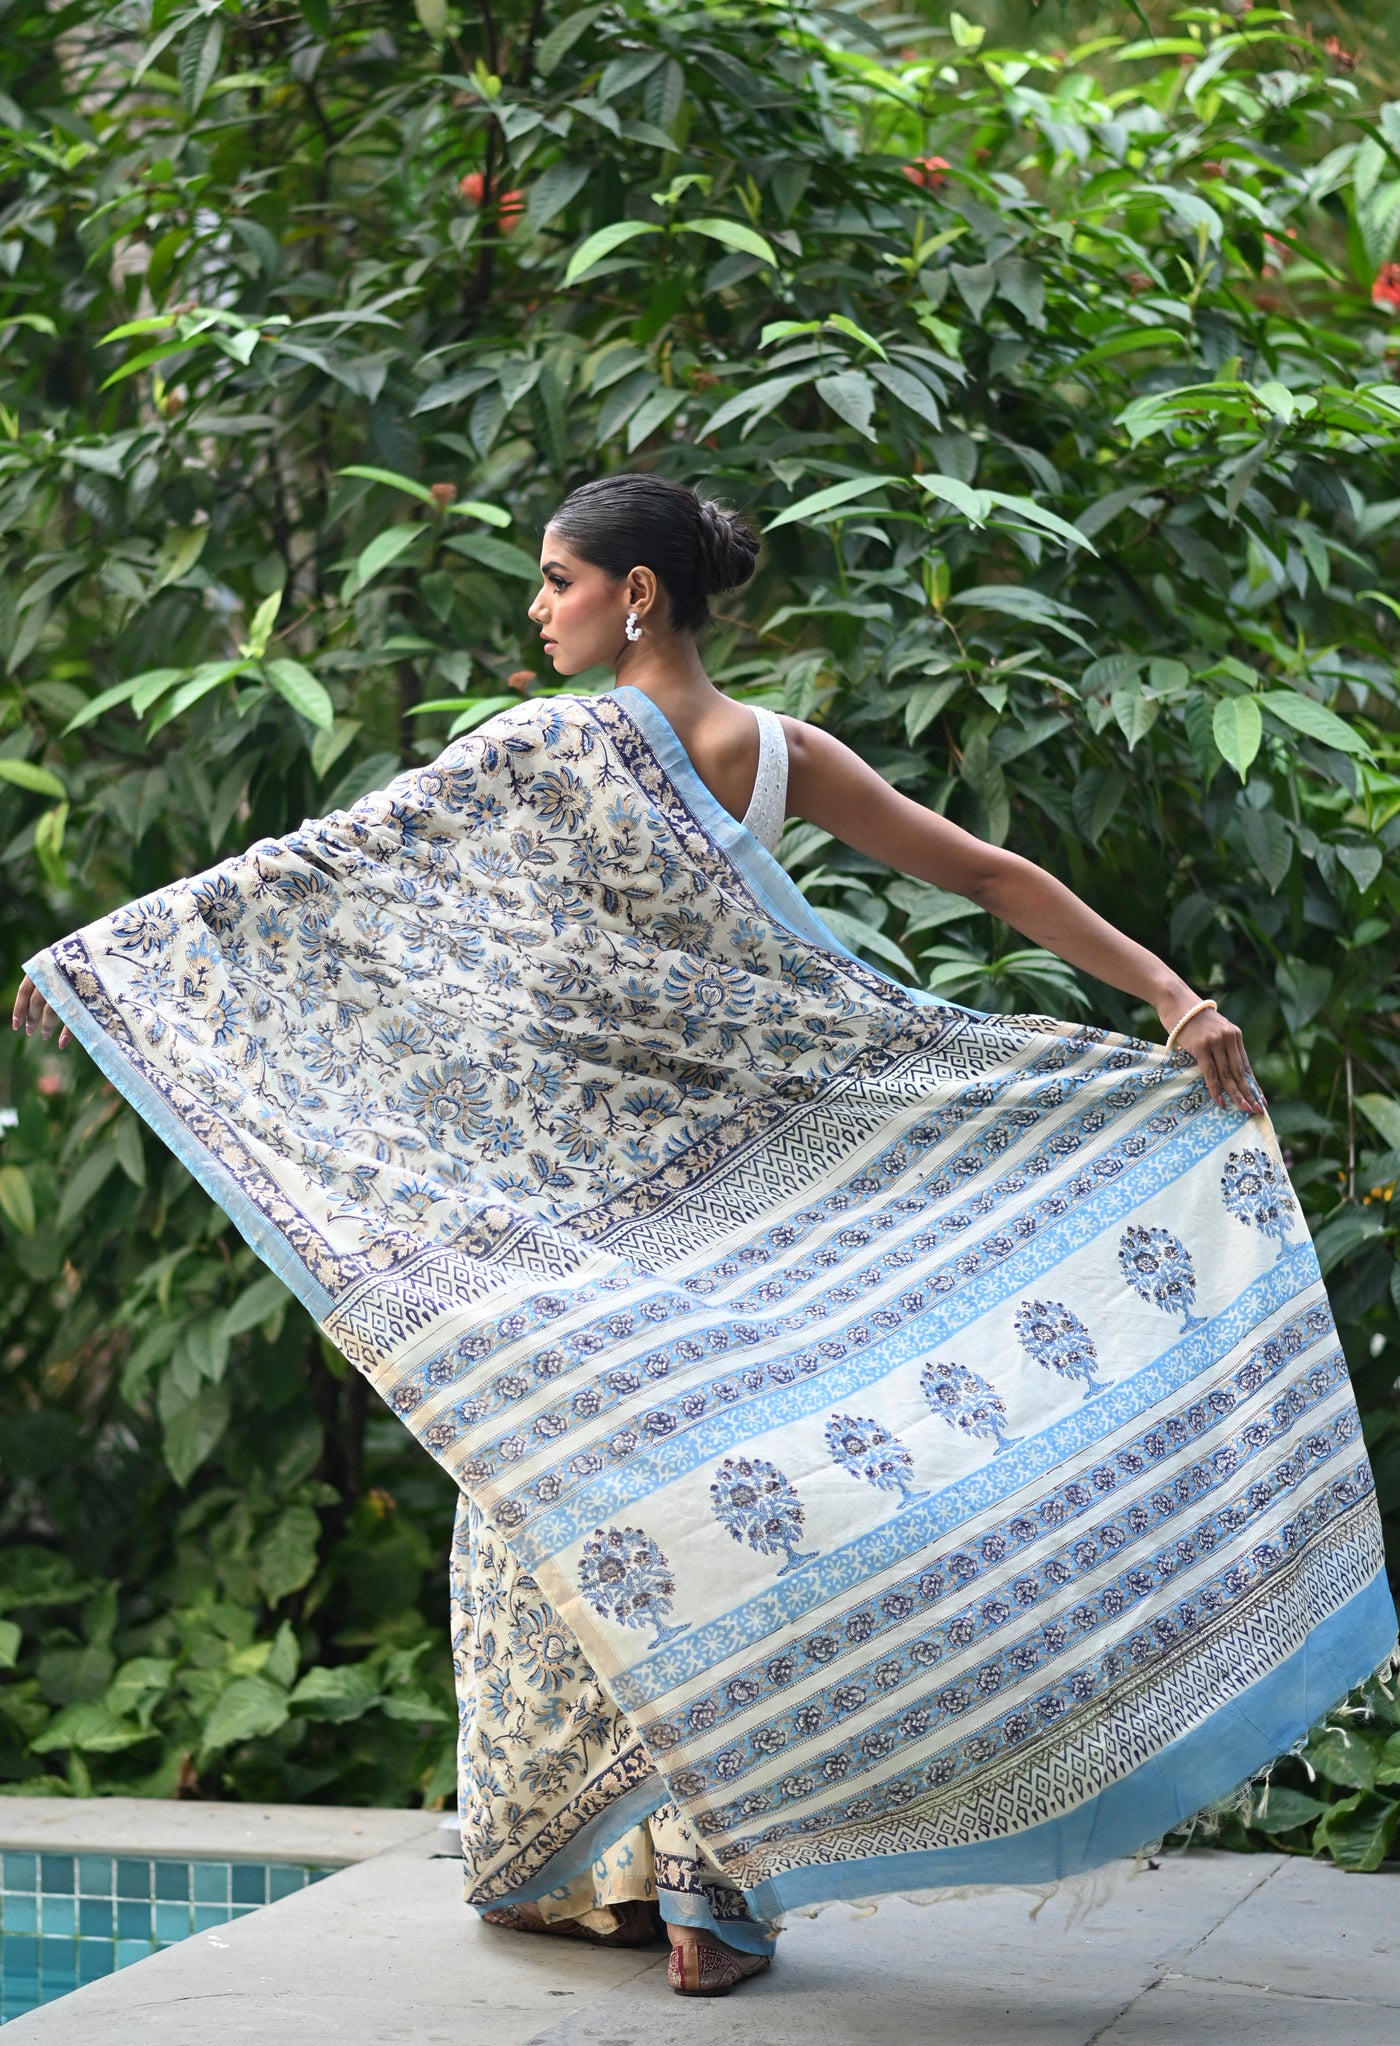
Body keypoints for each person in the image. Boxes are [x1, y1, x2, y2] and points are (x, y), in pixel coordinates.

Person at [15, 474, 1392, 2000]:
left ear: (639, 593)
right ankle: (687, 1889)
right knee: (653, 1528)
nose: (538, 610)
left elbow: (326, 867)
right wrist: (1167, 996)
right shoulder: (771, 753)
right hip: (719, 1221)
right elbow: (989, 878)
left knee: (590, 1518)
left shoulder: (542, 749)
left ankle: (683, 1881)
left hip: (625, 1224)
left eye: (555, 580)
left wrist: (110, 959)